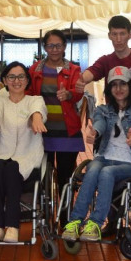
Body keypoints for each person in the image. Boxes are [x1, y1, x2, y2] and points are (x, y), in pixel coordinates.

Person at [61, 67, 131, 242]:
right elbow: (100, 122)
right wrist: (95, 132)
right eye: (114, 85)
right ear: (109, 89)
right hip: (105, 157)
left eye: (123, 84)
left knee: (107, 172)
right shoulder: (102, 109)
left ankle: (95, 223)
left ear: (130, 86)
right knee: (93, 168)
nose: (118, 88)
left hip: (130, 162)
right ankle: (75, 221)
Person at [0, 62, 47, 243]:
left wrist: (36, 119)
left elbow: (37, 112)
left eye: (21, 76)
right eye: (12, 77)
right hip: (1, 152)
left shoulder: (35, 100)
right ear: (5, 80)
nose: (17, 81)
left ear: (27, 80)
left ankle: (12, 226)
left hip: (27, 154)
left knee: (12, 169)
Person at [27, 30, 84, 193]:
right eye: (50, 46)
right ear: (45, 47)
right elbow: (28, 94)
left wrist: (69, 94)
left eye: (58, 45)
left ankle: (65, 208)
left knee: (65, 177)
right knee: (44, 175)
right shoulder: (35, 70)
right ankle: (47, 208)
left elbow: (78, 92)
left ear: (64, 46)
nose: (54, 50)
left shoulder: (73, 69)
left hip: (67, 130)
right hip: (42, 130)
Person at [75, 15, 131, 107]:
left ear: (130, 35)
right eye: (114, 34)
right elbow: (93, 70)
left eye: (122, 34)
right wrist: (82, 80)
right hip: (113, 114)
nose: (118, 39)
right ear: (109, 35)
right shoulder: (105, 61)